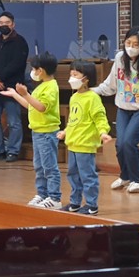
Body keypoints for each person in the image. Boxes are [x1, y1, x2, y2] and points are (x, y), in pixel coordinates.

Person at [92, 27, 139, 194]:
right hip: (123, 108)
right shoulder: (120, 58)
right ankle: (126, 176)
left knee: (129, 142)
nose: (131, 47)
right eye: (128, 43)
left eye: (136, 44)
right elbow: (111, 84)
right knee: (120, 144)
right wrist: (93, 91)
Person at [1, 52, 62, 209]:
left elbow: (41, 107)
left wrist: (25, 94)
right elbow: (31, 105)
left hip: (47, 133)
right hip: (38, 132)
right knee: (39, 167)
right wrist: (16, 95)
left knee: (49, 167)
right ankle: (42, 194)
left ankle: (54, 197)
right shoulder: (41, 86)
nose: (33, 72)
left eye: (34, 69)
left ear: (40, 70)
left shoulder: (51, 87)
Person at [57, 60, 112, 215]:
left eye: (75, 75)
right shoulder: (74, 97)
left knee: (87, 176)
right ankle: (75, 202)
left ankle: (91, 204)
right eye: (71, 74)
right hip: (73, 144)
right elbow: (73, 120)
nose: (71, 78)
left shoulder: (92, 97)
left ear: (86, 79)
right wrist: (65, 132)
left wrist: (103, 132)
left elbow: (100, 117)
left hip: (85, 144)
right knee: (73, 175)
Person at [0, 11, 29, 162]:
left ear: (13, 24)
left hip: (12, 87)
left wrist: (1, 77)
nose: (3, 25)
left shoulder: (20, 42)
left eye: (7, 23)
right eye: (1, 23)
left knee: (14, 122)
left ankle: (13, 151)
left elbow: (17, 64)